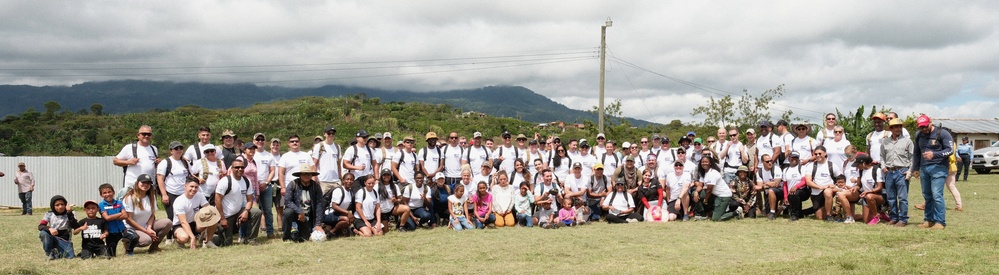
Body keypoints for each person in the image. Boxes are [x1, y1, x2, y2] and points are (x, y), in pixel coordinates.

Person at [912, 114, 952, 229]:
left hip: (939, 167)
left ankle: (940, 222)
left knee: (936, 195)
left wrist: (934, 154)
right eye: (921, 127)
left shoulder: (943, 133)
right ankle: (928, 220)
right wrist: (915, 168)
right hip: (924, 168)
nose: (924, 129)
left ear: (931, 122)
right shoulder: (919, 135)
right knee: (927, 195)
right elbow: (916, 152)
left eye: (925, 126)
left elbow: (950, 150)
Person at [215, 158, 262, 246]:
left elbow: (250, 200)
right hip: (225, 216)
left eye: (242, 167)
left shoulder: (246, 181)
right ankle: (209, 237)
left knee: (257, 212)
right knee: (226, 244)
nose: (240, 169)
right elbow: (217, 201)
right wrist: (222, 219)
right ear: (231, 169)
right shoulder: (225, 181)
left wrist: (246, 211)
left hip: (238, 212)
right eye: (237, 167)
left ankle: (250, 240)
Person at [121, 174, 170, 254]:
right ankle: (128, 242)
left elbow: (152, 214)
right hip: (130, 228)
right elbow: (128, 220)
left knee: (167, 222)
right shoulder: (129, 197)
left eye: (148, 183)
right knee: (147, 240)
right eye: (143, 182)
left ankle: (154, 247)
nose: (146, 185)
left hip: (145, 226)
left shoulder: (151, 196)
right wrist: (146, 232)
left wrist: (149, 228)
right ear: (137, 183)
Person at [881, 118, 914, 227]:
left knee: (902, 197)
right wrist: (883, 166)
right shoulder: (885, 142)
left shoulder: (907, 141)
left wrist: (910, 171)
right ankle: (894, 217)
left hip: (902, 171)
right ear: (891, 129)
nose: (898, 129)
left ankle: (903, 219)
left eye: (900, 127)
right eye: (895, 127)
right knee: (891, 197)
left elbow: (912, 158)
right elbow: (882, 156)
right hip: (889, 172)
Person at [282, 164, 325, 242]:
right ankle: (286, 237)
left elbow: (320, 204)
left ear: (311, 175)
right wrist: (299, 211)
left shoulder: (316, 186)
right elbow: (287, 201)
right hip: (295, 215)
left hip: (308, 217)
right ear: (300, 175)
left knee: (305, 238)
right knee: (288, 212)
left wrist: (318, 224)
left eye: (308, 174)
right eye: (304, 174)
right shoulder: (293, 184)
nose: (306, 176)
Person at [113, 125, 160, 194]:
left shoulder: (154, 149)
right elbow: (115, 161)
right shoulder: (129, 148)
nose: (146, 136)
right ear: (138, 135)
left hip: (149, 186)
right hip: (132, 186)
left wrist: (158, 163)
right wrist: (128, 162)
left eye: (149, 134)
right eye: (144, 134)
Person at [172, 180, 218, 250]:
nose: (193, 189)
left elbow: (208, 208)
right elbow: (183, 222)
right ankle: (178, 241)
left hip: (194, 223)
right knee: (184, 238)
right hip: (180, 225)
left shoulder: (199, 195)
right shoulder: (179, 201)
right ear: (185, 186)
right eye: (191, 186)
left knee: (213, 219)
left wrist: (212, 214)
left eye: (196, 187)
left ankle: (207, 241)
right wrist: (192, 237)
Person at [695, 156, 738, 221]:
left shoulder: (713, 173)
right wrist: (696, 192)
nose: (704, 163)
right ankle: (703, 214)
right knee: (697, 194)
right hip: (715, 195)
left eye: (706, 162)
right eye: (703, 162)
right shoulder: (704, 173)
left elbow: (709, 189)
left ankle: (736, 212)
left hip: (723, 196)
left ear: (710, 163)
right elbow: (700, 185)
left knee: (716, 219)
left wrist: (705, 200)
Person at [802, 146, 839, 222]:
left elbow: (841, 178)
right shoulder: (811, 166)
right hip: (816, 192)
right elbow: (808, 182)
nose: (818, 155)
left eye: (820, 153)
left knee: (827, 192)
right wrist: (820, 187)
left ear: (825, 154)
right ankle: (834, 211)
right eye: (816, 154)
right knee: (820, 217)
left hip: (828, 190)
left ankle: (829, 215)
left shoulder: (832, 165)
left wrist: (834, 185)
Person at [39, 195, 79, 259]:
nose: (60, 207)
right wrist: (50, 228)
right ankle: (49, 253)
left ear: (66, 205)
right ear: (53, 206)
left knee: (70, 256)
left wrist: (69, 213)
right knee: (43, 233)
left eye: (62, 204)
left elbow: (75, 226)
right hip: (52, 237)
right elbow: (41, 226)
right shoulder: (49, 214)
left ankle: (57, 253)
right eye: (57, 205)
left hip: (64, 240)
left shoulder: (71, 213)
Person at [97, 183, 131, 257]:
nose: (108, 194)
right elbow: (107, 218)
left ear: (113, 192)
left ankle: (129, 251)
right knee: (111, 254)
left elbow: (125, 215)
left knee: (134, 237)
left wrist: (112, 216)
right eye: (104, 193)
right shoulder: (101, 205)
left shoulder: (119, 203)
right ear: (101, 195)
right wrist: (119, 214)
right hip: (111, 231)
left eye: (109, 192)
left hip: (122, 229)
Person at [278, 135, 313, 200]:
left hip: (306, 186)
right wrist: (283, 187)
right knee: (290, 208)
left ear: (300, 143)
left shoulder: (306, 155)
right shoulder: (285, 156)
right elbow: (281, 173)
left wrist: (313, 185)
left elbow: (313, 170)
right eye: (292, 141)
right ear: (289, 143)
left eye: (296, 141)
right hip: (290, 186)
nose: (294, 143)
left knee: (307, 206)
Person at [376, 168, 412, 232]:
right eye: (384, 175)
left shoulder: (394, 186)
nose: (386, 177)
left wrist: (395, 200)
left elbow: (400, 199)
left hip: (392, 208)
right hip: (382, 211)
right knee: (385, 231)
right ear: (381, 176)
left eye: (388, 175)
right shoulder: (377, 186)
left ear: (391, 176)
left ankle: (401, 226)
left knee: (406, 209)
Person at [855, 155, 886, 225]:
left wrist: (868, 192)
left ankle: (876, 216)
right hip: (866, 196)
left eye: (858, 164)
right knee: (866, 220)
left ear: (864, 163)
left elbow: (879, 187)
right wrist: (855, 188)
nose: (857, 166)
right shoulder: (860, 171)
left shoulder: (877, 170)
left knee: (869, 196)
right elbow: (858, 185)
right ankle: (880, 213)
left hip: (879, 195)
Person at [323, 172, 356, 237]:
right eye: (347, 179)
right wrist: (347, 213)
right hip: (330, 214)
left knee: (351, 219)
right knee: (346, 219)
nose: (349, 181)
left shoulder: (351, 192)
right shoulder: (339, 190)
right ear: (343, 180)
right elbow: (334, 206)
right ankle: (331, 232)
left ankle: (340, 231)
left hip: (339, 214)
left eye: (351, 180)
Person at [313, 126, 342, 196]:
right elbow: (314, 163)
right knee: (322, 201)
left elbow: (338, 164)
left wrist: (340, 178)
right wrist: (314, 178)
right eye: (329, 133)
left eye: (333, 133)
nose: (331, 135)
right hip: (323, 180)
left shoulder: (337, 147)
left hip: (335, 181)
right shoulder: (319, 146)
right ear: (324, 134)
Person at [756, 154, 784, 220]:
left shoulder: (777, 169)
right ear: (762, 162)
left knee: (771, 190)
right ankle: (780, 209)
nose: (770, 163)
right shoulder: (759, 172)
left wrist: (766, 184)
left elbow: (776, 184)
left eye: (771, 161)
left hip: (780, 191)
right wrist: (769, 184)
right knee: (767, 214)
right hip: (768, 193)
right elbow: (759, 187)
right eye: (767, 161)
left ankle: (772, 212)